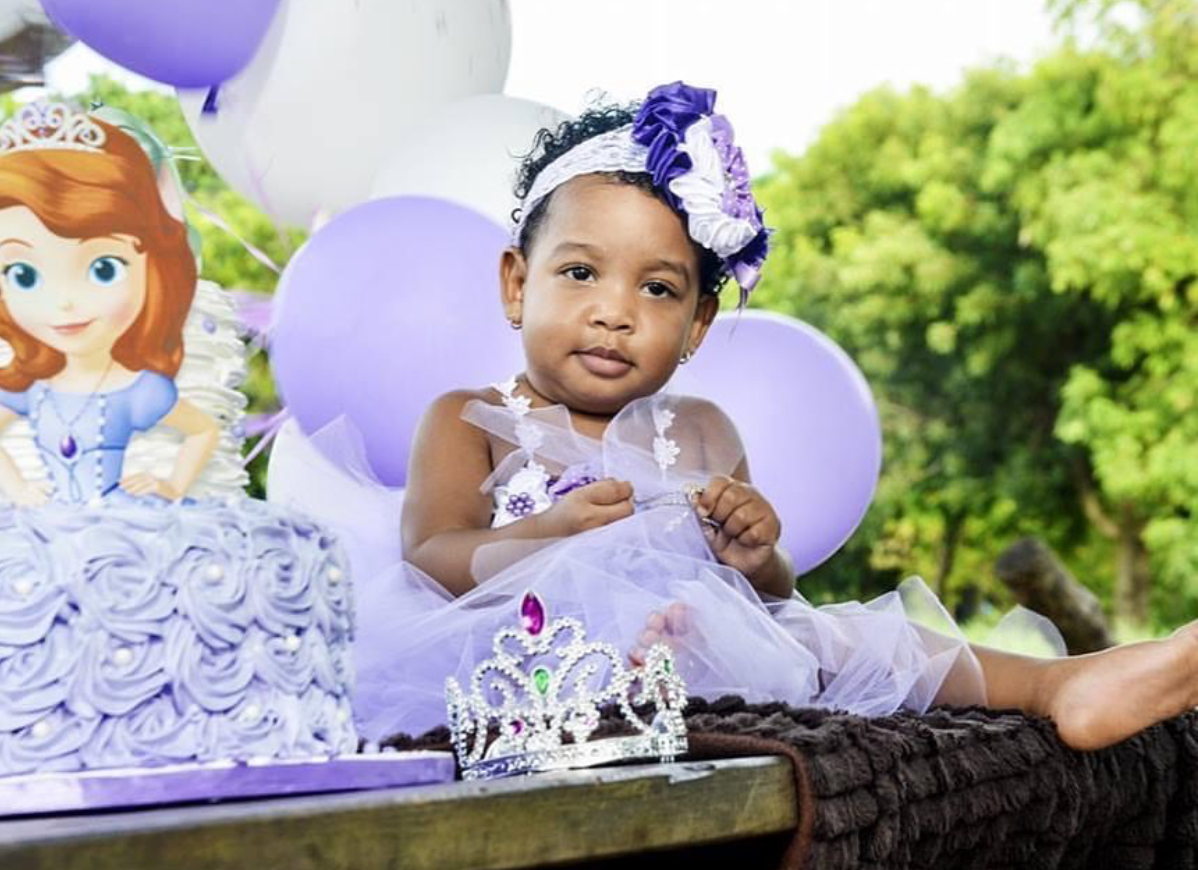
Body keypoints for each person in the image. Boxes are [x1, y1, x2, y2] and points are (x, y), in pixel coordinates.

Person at [352, 82, 1197, 751]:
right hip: (536, 658)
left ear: (697, 326)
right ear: (515, 283)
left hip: (701, 651)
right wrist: (552, 534)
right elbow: (433, 558)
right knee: (801, 641)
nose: (614, 312)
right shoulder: (471, 418)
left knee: (857, 637)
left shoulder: (704, 428)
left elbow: (770, 596)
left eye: (657, 289)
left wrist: (755, 554)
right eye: (580, 273)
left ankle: (1068, 685)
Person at [0, 102, 218, 505]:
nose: (64, 303)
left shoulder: (138, 389)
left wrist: (171, 487)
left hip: (122, 524)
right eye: (23, 275)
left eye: (104, 269)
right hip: (45, 525)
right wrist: (18, 490)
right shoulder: (31, 387)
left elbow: (203, 430)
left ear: (153, 268)